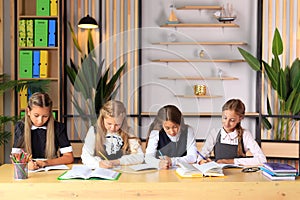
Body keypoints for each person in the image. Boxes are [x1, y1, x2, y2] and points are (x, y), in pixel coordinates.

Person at [12, 92, 74, 170]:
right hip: (28, 173)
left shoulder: (58, 127)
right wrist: (27, 164)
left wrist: (45, 163)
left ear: (50, 113)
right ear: (28, 111)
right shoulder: (20, 127)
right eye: (36, 115)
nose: (40, 121)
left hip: (51, 172)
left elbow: (69, 157)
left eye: (45, 116)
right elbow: (15, 156)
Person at [198, 99, 267, 166]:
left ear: (240, 119)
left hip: (240, 176)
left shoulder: (245, 134)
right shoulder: (214, 133)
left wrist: (230, 161)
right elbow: (202, 156)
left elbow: (262, 160)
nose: (227, 123)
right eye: (225, 118)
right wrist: (202, 161)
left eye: (232, 120)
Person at [81, 100, 144, 169]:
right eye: (109, 124)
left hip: (124, 173)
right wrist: (98, 164)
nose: (112, 128)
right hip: (100, 172)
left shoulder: (128, 131)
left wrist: (118, 161)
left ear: (123, 120)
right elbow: (85, 156)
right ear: (103, 119)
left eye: (117, 124)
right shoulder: (94, 131)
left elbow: (140, 156)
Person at [145, 105, 198, 169]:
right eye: (167, 128)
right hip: (162, 172)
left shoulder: (188, 130)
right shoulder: (156, 132)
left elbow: (193, 157)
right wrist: (158, 163)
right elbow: (148, 157)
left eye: (175, 127)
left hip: (183, 171)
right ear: (162, 125)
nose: (172, 131)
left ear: (180, 123)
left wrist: (172, 161)